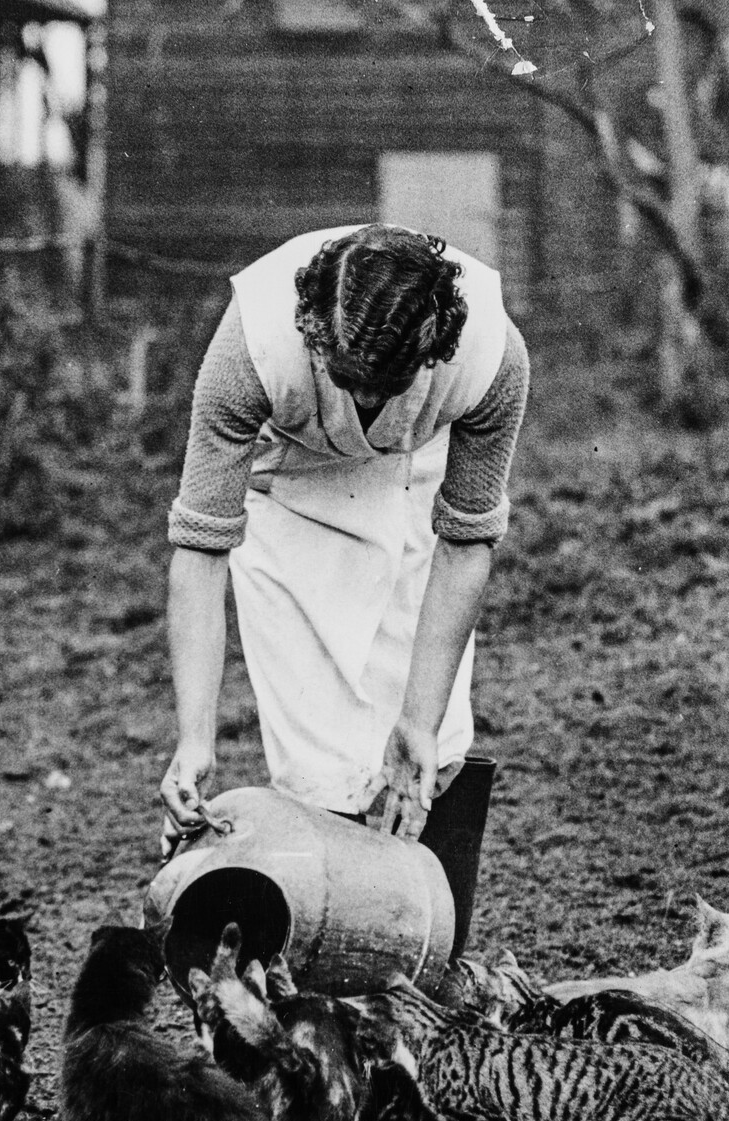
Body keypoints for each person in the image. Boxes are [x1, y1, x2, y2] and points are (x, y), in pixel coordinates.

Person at [160, 223, 529, 957]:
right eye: (347, 374)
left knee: (436, 732)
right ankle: (331, 965)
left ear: (435, 348)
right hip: (291, 490)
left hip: (414, 475)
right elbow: (199, 548)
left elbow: (465, 542)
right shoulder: (250, 348)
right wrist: (194, 737)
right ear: (312, 325)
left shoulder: (493, 356)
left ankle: (431, 960)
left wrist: (418, 721)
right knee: (316, 754)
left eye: (381, 384)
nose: (361, 397)